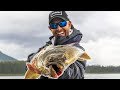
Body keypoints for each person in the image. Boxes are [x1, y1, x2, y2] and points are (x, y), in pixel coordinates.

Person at [27, 11, 86, 79]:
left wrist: (59, 70)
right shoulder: (47, 47)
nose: (58, 28)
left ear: (69, 24)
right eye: (53, 25)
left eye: (62, 23)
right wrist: (36, 61)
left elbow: (77, 73)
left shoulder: (78, 49)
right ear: (50, 29)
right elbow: (29, 61)